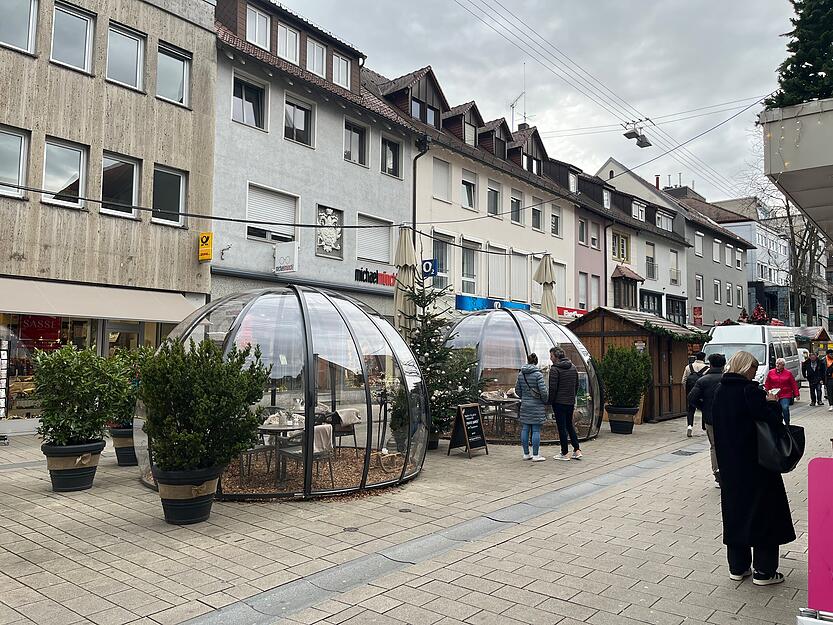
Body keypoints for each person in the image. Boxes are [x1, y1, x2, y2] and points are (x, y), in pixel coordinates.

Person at [712, 351, 795, 586]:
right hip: (757, 465)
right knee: (765, 514)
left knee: (735, 513)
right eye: (753, 367)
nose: (755, 372)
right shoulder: (750, 390)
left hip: (729, 465)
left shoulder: (720, 390)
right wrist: (772, 402)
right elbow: (771, 421)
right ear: (745, 367)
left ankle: (738, 567)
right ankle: (764, 571)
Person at [688, 352, 726, 488]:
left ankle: (718, 475)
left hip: (710, 418)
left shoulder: (703, 380)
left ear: (710, 364)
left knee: (714, 446)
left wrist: (703, 407)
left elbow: (691, 398)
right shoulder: (727, 380)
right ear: (724, 365)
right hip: (728, 418)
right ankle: (729, 473)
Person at [549, 346, 582, 461]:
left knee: (562, 427)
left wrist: (550, 401)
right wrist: (572, 396)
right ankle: (577, 450)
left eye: (551, 356)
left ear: (556, 357)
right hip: (570, 401)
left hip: (559, 402)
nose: (550, 358)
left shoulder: (555, 369)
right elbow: (576, 385)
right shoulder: (573, 367)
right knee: (569, 425)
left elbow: (553, 389)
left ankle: (565, 453)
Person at [515, 353, 548, 462]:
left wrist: (525, 397)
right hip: (537, 405)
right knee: (536, 430)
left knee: (525, 429)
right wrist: (545, 400)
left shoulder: (521, 374)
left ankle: (526, 454)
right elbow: (543, 391)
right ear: (536, 362)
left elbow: (517, 391)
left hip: (525, 405)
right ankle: (536, 455)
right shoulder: (538, 375)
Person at [763, 358, 800, 424]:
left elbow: (793, 384)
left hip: (785, 394)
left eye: (779, 364)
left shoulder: (788, 373)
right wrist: (767, 391)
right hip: (774, 395)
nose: (777, 365)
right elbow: (767, 383)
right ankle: (778, 423)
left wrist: (797, 394)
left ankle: (787, 423)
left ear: (783, 365)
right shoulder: (771, 372)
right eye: (777, 363)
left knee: (785, 408)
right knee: (775, 409)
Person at [681, 351, 708, 437]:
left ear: (696, 358)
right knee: (704, 408)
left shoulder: (688, 367)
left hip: (691, 392)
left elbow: (683, 381)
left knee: (690, 409)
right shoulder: (707, 368)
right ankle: (704, 427)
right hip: (702, 393)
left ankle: (690, 426)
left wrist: (687, 391)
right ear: (704, 358)